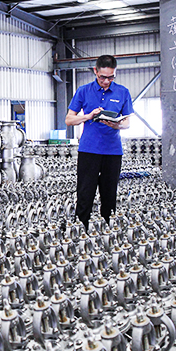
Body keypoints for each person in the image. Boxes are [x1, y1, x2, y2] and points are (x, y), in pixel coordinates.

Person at [65, 55, 133, 230]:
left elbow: (127, 122)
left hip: (113, 151)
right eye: (103, 77)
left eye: (111, 77)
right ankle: (80, 230)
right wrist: (88, 116)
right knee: (85, 194)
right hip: (89, 150)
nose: (106, 81)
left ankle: (108, 232)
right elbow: (69, 119)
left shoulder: (123, 92)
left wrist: (117, 125)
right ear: (95, 71)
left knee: (109, 195)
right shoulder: (83, 91)